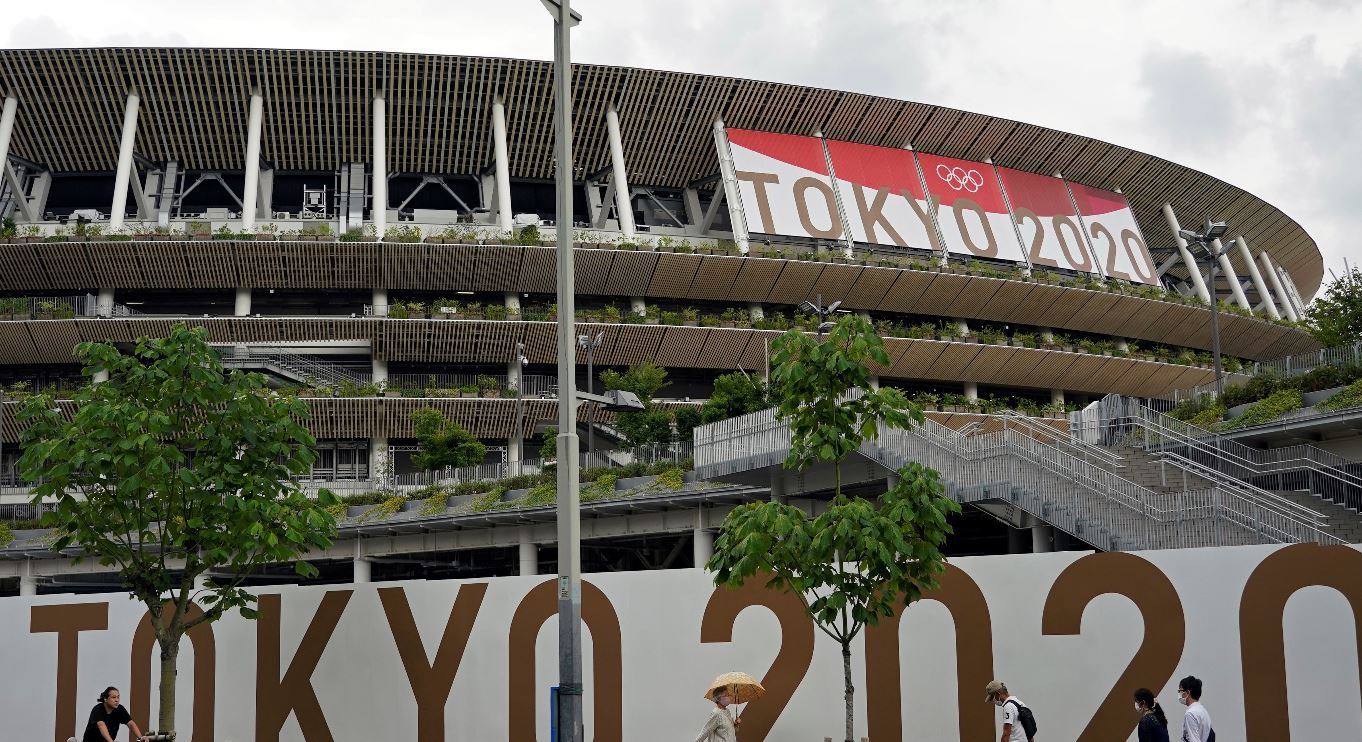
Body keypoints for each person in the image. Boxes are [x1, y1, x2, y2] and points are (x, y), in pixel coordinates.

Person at [82, 687, 146, 742]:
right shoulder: (97, 709)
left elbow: (131, 724)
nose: (117, 700)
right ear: (105, 699)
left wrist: (140, 738)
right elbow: (101, 725)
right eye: (113, 697)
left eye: (118, 697)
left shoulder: (120, 709)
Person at [1177, 675, 1213, 742]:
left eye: (1180, 691)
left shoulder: (1190, 714)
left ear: (1188, 692)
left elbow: (1193, 740)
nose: (1179, 693)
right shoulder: (1202, 710)